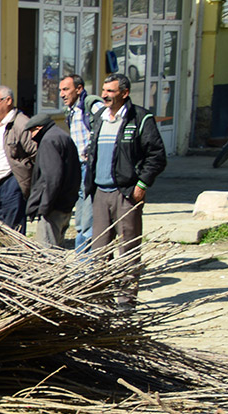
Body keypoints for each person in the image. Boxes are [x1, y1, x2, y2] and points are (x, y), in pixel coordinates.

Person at [86, 74, 166, 305]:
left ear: (124, 93)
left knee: (128, 250)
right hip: (100, 192)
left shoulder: (139, 118)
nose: (104, 95)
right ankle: (100, 298)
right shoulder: (100, 116)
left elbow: (157, 156)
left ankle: (126, 301)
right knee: (99, 251)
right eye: (103, 90)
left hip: (126, 194)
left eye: (110, 91)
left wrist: (142, 184)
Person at [57, 72, 101, 251]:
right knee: (81, 216)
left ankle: (85, 263)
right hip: (79, 168)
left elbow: (105, 127)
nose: (62, 94)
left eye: (66, 89)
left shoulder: (92, 106)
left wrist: (92, 153)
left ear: (79, 89)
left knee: (87, 219)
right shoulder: (72, 110)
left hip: (90, 167)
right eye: (60, 90)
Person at [23, 116, 80, 248]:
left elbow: (52, 178)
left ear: (39, 128)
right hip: (66, 204)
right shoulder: (63, 135)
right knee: (58, 248)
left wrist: (44, 207)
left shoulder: (49, 141)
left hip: (53, 208)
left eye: (31, 132)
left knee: (47, 251)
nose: (31, 137)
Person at [0, 86, 32, 232]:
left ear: (8, 101)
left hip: (12, 182)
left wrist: (24, 175)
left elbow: (34, 153)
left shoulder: (20, 123)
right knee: (1, 228)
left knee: (13, 228)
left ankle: (17, 254)